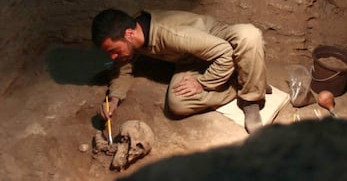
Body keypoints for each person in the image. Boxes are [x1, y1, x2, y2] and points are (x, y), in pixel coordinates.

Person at [91, 8, 270, 134]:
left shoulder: (172, 35)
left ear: (129, 34)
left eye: (114, 50)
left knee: (249, 35)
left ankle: (250, 99)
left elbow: (224, 51)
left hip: (215, 38)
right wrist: (114, 99)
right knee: (178, 104)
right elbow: (123, 68)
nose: (113, 57)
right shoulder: (130, 32)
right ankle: (248, 78)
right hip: (192, 58)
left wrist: (202, 82)